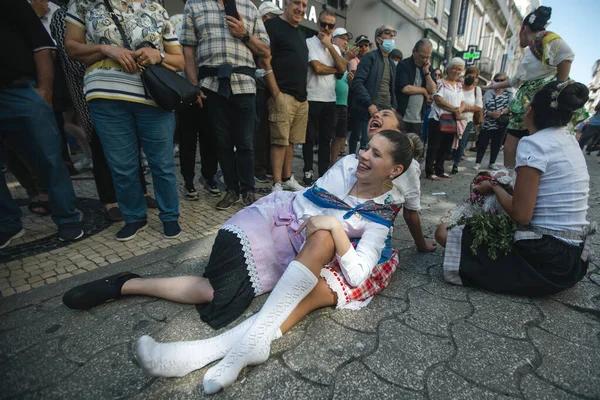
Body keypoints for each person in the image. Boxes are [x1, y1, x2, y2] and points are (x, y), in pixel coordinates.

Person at [62, 130, 415, 393]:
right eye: (367, 146)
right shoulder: (347, 165)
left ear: (395, 170)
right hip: (273, 224)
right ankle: (133, 288)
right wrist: (330, 223)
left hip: (297, 253)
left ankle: (175, 329)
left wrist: (336, 228)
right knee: (221, 287)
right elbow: (309, 206)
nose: (363, 155)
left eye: (376, 153)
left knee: (217, 290)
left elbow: (355, 273)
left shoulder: (381, 216)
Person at [435, 80, 591, 296]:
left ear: (530, 110)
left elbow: (521, 215)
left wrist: (494, 187)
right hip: (573, 259)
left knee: (444, 233)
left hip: (547, 259)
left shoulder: (534, 143)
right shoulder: (569, 141)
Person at [65, 0, 184, 241]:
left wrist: (158, 55)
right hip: (106, 95)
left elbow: (179, 60)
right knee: (122, 165)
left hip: (153, 96)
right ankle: (134, 217)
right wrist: (105, 49)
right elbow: (71, 48)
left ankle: (170, 216)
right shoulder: (84, 3)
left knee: (162, 163)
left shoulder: (155, 7)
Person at [1, 0, 84, 249]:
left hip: (20, 90)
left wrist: (44, 91)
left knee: (49, 156)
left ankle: (67, 217)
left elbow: (41, 45)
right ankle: (8, 223)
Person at [181, 0, 270, 210]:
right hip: (211, 84)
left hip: (245, 84)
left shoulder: (249, 6)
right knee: (222, 142)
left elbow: (265, 51)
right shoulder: (194, 5)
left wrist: (245, 34)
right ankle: (232, 190)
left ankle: (248, 190)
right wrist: (194, 86)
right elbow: (188, 51)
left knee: (246, 143)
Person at [483, 6, 575, 168]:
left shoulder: (542, 38)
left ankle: (516, 181)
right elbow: (515, 81)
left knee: (526, 146)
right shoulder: (533, 48)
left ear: (524, 29)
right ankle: (510, 180)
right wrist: (491, 86)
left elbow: (566, 54)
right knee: (511, 147)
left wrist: (558, 87)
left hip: (538, 103)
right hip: (525, 104)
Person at [367, 110, 437, 253]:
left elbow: (411, 213)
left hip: (369, 234)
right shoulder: (359, 156)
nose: (375, 115)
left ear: (398, 133)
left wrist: (421, 244)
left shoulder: (408, 166)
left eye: (385, 114)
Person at [172, 0, 221, 201]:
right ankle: (189, 181)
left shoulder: (209, 16)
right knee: (188, 139)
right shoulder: (175, 21)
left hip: (209, 87)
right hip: (185, 91)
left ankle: (209, 177)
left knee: (211, 137)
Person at [262, 0, 309, 193]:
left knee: (291, 140)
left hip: (301, 97)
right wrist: (275, 93)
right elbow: (264, 60)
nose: (301, 9)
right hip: (282, 94)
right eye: (297, 3)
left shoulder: (301, 32)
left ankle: (288, 177)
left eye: (305, 5)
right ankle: (276, 183)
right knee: (279, 141)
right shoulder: (272, 26)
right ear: (286, 4)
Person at [302, 8, 348, 185]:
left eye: (330, 25)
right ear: (317, 23)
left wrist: (330, 46)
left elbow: (343, 68)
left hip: (330, 99)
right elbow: (317, 68)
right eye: (323, 24)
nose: (326, 28)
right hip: (312, 97)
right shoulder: (309, 42)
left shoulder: (334, 47)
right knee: (308, 138)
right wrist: (335, 68)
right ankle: (307, 170)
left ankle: (322, 174)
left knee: (325, 140)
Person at [349, 25, 398, 155]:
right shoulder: (370, 57)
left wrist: (393, 106)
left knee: (381, 148)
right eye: (388, 33)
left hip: (385, 111)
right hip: (369, 111)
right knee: (366, 147)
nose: (392, 35)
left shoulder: (391, 63)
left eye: (393, 33)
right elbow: (357, 83)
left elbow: (391, 88)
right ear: (378, 39)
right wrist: (370, 104)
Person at [252, 1, 283, 185]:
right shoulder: (258, 36)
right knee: (259, 127)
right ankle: (258, 167)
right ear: (264, 18)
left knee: (271, 127)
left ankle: (268, 166)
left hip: (273, 83)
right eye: (273, 17)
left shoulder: (273, 35)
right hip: (259, 84)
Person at [425, 57, 466, 180]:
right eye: (454, 68)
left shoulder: (459, 85)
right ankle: (429, 171)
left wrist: (459, 110)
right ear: (448, 68)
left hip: (452, 120)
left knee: (445, 146)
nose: (456, 71)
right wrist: (454, 109)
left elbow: (463, 102)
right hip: (438, 119)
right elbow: (438, 100)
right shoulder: (440, 83)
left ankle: (440, 169)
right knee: (434, 146)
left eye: (459, 69)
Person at [395, 39, 436, 138]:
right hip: (402, 115)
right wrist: (423, 91)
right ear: (414, 51)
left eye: (428, 57)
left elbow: (432, 89)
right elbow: (405, 88)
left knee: (413, 147)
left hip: (418, 118)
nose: (425, 60)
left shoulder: (428, 68)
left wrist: (426, 72)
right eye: (422, 56)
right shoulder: (404, 64)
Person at [330, 27, 357, 166]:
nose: (345, 42)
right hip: (332, 101)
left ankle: (332, 165)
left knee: (339, 136)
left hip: (343, 103)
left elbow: (346, 80)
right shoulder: (333, 54)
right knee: (329, 135)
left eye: (346, 40)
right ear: (333, 39)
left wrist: (351, 80)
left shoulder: (345, 58)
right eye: (342, 38)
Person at [475, 72, 513, 170]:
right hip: (488, 122)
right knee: (483, 143)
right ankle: (478, 162)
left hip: (501, 122)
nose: (499, 82)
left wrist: (500, 112)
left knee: (497, 143)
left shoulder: (508, 93)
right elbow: (482, 108)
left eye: (502, 80)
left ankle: (492, 162)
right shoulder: (488, 93)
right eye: (497, 80)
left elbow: (511, 107)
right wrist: (491, 113)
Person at [451, 66, 482, 174]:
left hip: (467, 120)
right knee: (450, 140)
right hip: (453, 117)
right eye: (470, 76)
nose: (472, 78)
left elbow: (478, 107)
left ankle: (456, 163)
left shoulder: (476, 90)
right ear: (465, 76)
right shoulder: (458, 86)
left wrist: (465, 108)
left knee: (462, 142)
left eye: (474, 77)